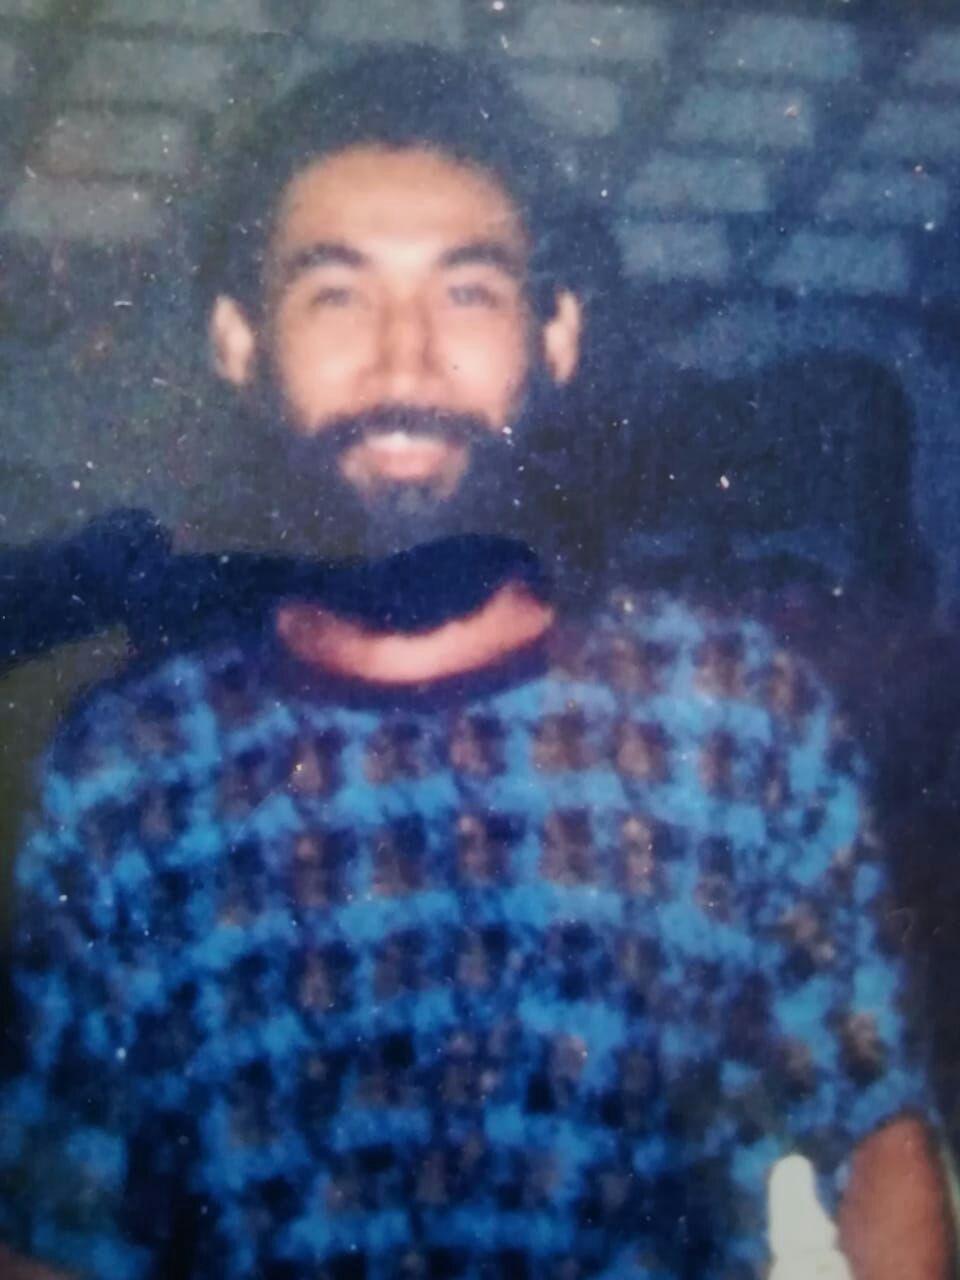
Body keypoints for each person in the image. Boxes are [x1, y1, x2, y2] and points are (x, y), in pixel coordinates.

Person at [0, 45, 951, 1280]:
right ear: (240, 342)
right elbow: (53, 1218)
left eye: (467, 293)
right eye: (336, 294)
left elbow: (874, 1147)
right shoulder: (131, 773)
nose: (404, 362)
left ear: (555, 337)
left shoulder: (735, 724)